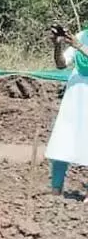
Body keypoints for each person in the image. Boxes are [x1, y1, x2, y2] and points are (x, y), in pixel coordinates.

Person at [45, 23, 88, 197]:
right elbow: (62, 64)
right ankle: (56, 188)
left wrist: (79, 46)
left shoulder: (80, 41)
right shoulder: (83, 34)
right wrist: (58, 45)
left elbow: (79, 47)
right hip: (75, 95)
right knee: (64, 139)